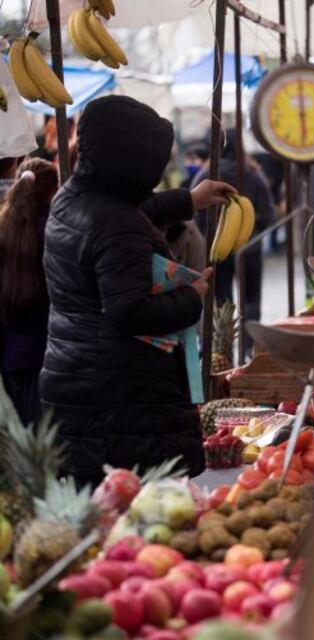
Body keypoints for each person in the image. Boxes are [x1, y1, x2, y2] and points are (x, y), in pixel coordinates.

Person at [43, 96, 235, 486]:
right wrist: (193, 296)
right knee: (136, 515)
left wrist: (189, 200)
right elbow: (129, 311)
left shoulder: (71, 197)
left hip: (75, 380)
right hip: (121, 400)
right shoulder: (115, 223)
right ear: (131, 163)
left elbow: (125, 212)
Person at [192, 129, 275, 347]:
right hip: (250, 247)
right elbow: (268, 215)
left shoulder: (205, 177)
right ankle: (249, 347)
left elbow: (194, 214)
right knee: (251, 299)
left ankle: (224, 350)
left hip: (215, 248)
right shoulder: (252, 175)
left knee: (222, 300)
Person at [0, 159, 59, 426]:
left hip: (8, 353)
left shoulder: (3, 226)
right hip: (47, 350)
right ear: (52, 191)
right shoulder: (55, 230)